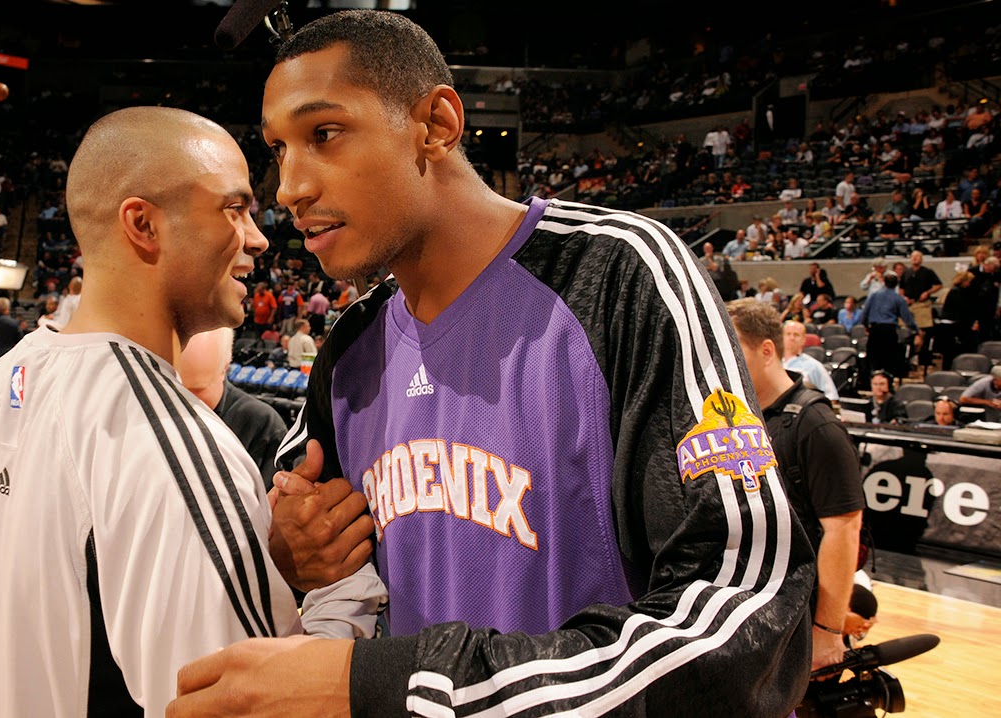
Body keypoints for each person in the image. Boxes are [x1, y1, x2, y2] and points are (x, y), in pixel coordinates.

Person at [169, 11, 815, 717]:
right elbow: (310, 551)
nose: (288, 188)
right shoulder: (350, 347)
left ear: (436, 125)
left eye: (324, 134)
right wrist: (297, 554)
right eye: (278, 149)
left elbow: (744, 615)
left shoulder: (619, 274)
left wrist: (388, 685)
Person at [0, 107, 383, 718]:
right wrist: (342, 593)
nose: (259, 237)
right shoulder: (165, 439)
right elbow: (246, 705)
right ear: (143, 224)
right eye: (233, 208)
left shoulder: (0, 384)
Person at [726, 299, 865, 673]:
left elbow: (844, 528)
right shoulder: (736, 417)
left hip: (801, 611)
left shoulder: (816, 425)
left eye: (733, 348)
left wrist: (828, 631)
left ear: (766, 350)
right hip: (755, 606)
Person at [177, 327, 288, 491]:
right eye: (171, 387)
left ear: (225, 369)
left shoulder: (260, 424)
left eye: (196, 390)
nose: (180, 400)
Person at [859, 272, 918, 378]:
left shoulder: (874, 296)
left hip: (875, 330)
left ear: (885, 283)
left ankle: (872, 379)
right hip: (889, 330)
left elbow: (864, 314)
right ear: (896, 284)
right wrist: (916, 329)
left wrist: (866, 326)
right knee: (888, 358)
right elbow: (907, 318)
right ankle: (887, 380)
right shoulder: (898, 298)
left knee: (873, 357)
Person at [782, 320, 839, 401]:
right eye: (788, 334)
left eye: (796, 335)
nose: (792, 338)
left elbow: (831, 397)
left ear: (803, 339)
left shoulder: (814, 366)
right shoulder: (774, 364)